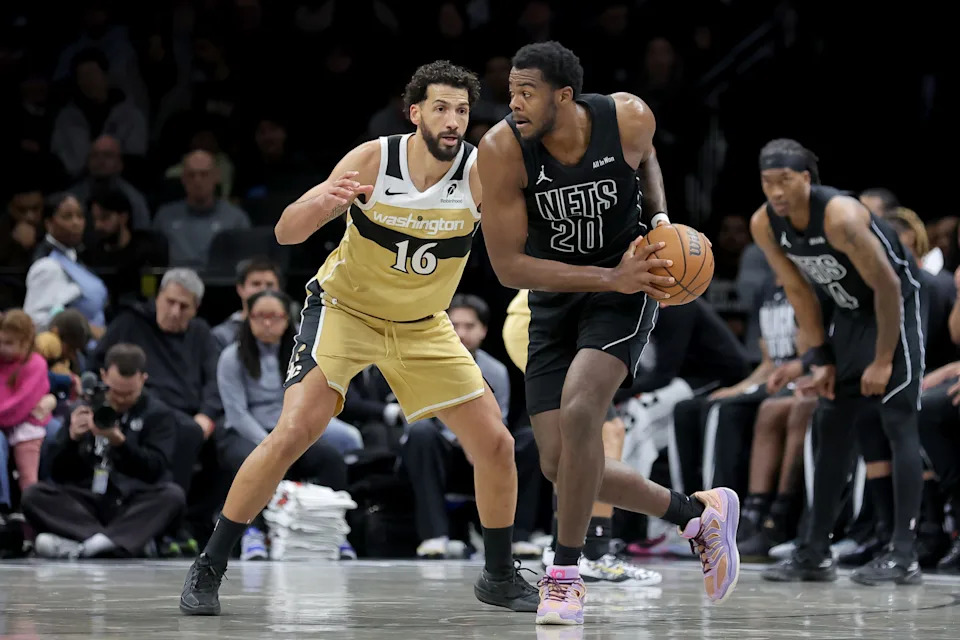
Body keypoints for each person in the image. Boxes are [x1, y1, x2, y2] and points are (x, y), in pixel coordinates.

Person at [180, 60, 539, 616]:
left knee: (496, 443)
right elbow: (285, 230)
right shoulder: (376, 158)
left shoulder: (480, 172)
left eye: (462, 111)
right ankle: (210, 566)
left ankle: (496, 575)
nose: (452, 121)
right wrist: (325, 203)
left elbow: (524, 245)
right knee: (294, 431)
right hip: (346, 312)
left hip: (423, 325)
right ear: (414, 112)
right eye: (441, 108)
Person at [478, 41, 739, 625]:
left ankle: (565, 575)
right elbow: (508, 267)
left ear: (564, 96)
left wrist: (660, 220)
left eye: (527, 92)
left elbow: (643, 157)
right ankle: (698, 516)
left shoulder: (626, 116)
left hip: (627, 292)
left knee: (580, 415)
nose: (513, 102)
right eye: (511, 91)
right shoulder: (500, 152)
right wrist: (607, 275)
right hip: (556, 297)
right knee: (556, 463)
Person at [750, 139, 925, 586]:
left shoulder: (841, 216)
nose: (776, 192)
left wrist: (884, 360)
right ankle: (813, 551)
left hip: (896, 311)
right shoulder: (765, 224)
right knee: (830, 427)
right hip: (847, 317)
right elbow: (800, 292)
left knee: (897, 421)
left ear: (806, 178)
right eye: (768, 183)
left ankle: (905, 555)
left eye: (785, 181)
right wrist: (818, 358)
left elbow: (888, 288)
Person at [502, 289, 664, 586]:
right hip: (556, 316)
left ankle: (561, 546)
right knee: (603, 433)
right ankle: (594, 551)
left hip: (548, 314)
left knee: (571, 442)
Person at [217, 289, 354, 560]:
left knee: (331, 459)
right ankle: (251, 532)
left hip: (290, 430)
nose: (267, 323)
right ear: (248, 319)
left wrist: (289, 440)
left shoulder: (301, 357)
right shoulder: (231, 357)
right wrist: (272, 445)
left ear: (286, 319)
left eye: (275, 317)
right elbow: (236, 413)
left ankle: (335, 532)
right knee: (248, 459)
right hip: (248, 432)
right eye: (260, 317)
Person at [21, 343, 184, 558]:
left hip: (130, 501)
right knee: (34, 495)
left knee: (173, 495)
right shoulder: (84, 408)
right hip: (86, 501)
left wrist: (121, 444)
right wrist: (72, 439)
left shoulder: (158, 414)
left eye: (129, 394)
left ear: (143, 379)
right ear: (104, 375)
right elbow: (57, 473)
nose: (122, 399)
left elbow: (156, 470)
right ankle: (118, 543)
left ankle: (84, 545)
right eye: (116, 392)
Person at [210, 257, 282, 351]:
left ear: (279, 290)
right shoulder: (221, 336)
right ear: (240, 289)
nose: (263, 290)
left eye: (269, 285)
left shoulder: (298, 332)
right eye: (256, 284)